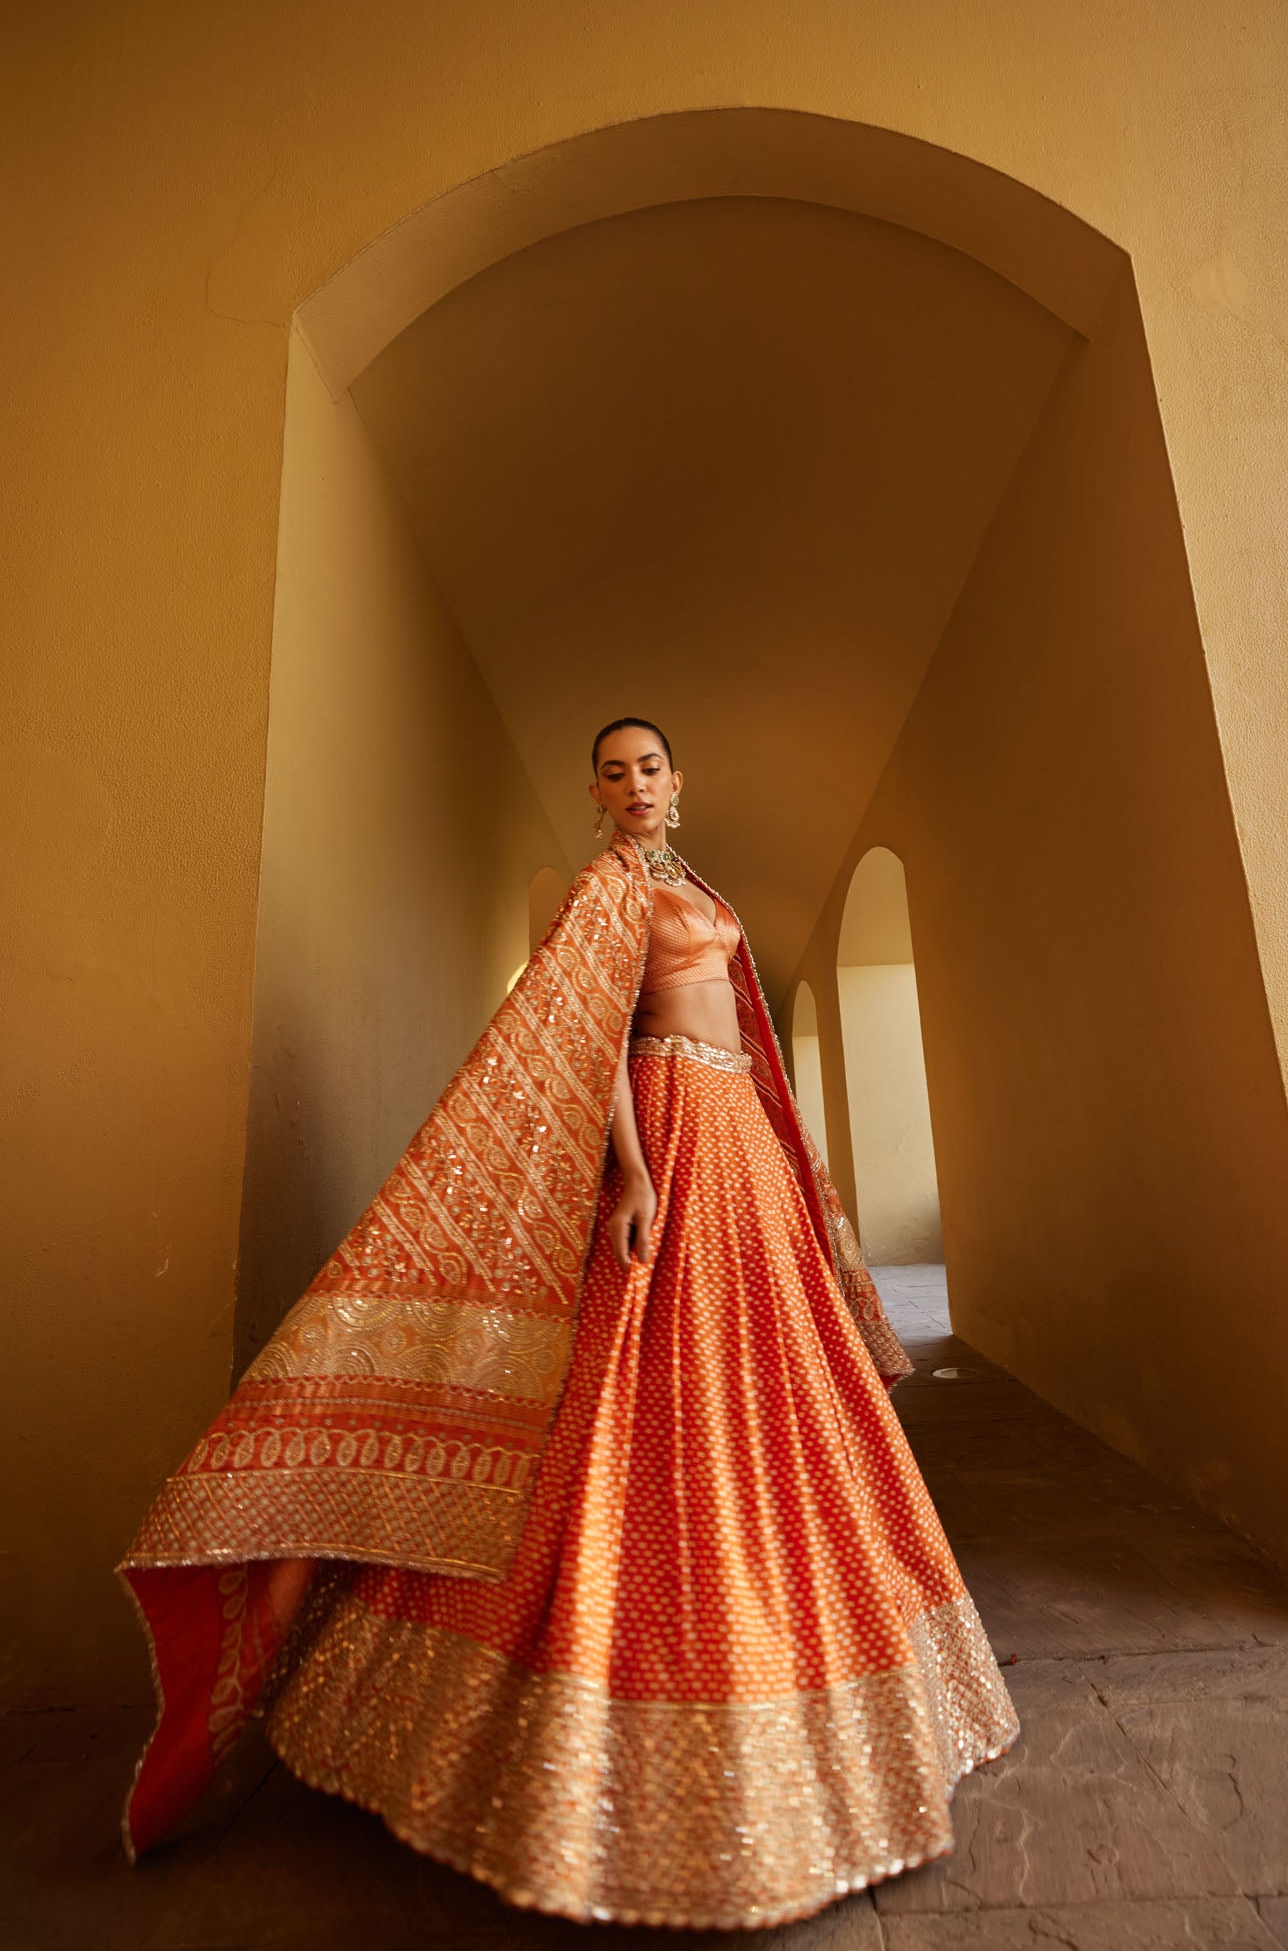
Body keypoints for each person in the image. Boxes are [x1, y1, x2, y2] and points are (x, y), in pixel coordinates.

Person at [118, 717, 1019, 1928]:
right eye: (614, 770)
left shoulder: (688, 883)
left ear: (677, 782)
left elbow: (737, 1029)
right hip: (673, 1135)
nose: (635, 784)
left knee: (772, 1384)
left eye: (651, 766)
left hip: (742, 1138)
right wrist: (636, 1172)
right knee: (642, 1385)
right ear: (593, 791)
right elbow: (589, 1039)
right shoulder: (602, 889)